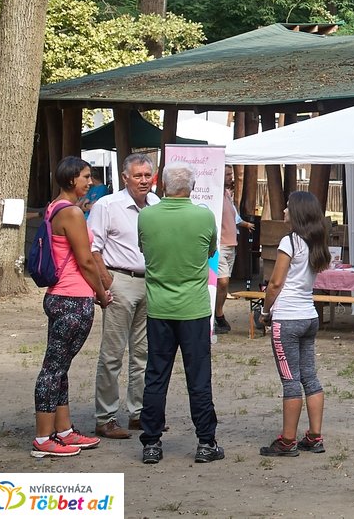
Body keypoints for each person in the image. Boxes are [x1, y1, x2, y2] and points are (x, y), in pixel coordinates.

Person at [137, 162, 222, 466]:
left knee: (156, 375)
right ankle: (205, 441)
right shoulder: (203, 216)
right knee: (198, 377)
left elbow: (144, 249)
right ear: (192, 186)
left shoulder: (146, 216)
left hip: (159, 307)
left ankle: (151, 443)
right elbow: (211, 251)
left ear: (163, 184)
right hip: (194, 307)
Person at [31, 157, 111, 458]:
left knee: (59, 367)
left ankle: (63, 431)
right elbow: (86, 260)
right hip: (72, 299)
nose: (89, 182)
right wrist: (102, 294)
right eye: (85, 177)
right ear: (70, 181)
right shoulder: (73, 212)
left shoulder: (54, 208)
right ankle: (42, 438)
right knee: (52, 370)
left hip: (60, 295)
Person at [90, 153, 159, 439]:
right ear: (125, 177)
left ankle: (138, 413)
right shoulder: (107, 205)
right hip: (120, 280)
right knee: (113, 353)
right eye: (138, 175)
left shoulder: (157, 205)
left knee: (143, 353)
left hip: (151, 282)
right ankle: (105, 417)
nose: (143, 181)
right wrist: (104, 281)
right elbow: (93, 248)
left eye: (147, 175)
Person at [260, 191, 331, 457]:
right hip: (308, 315)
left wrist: (265, 311)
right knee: (310, 377)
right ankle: (314, 435)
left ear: (298, 213)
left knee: (290, 381)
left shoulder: (289, 242)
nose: (285, 212)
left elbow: (275, 283)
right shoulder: (316, 241)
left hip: (286, 317)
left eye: (288, 208)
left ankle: (287, 441)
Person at [214, 165, 254, 334]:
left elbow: (234, 217)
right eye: (228, 174)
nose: (231, 177)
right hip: (220, 245)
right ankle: (218, 315)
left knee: (224, 282)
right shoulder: (215, 195)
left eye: (231, 174)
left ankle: (218, 313)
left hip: (231, 244)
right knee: (222, 282)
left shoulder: (227, 195)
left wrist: (246, 224)